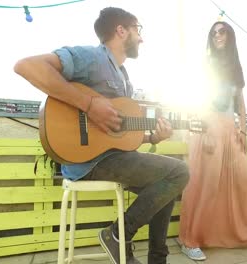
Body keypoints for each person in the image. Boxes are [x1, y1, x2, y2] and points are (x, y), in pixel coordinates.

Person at [14, 7, 189, 264]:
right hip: (89, 162)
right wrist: (89, 105)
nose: (141, 38)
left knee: (165, 187)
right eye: (137, 30)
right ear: (121, 30)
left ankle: (156, 259)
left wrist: (153, 138)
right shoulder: (91, 57)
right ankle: (118, 235)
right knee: (180, 171)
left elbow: (118, 135)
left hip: (112, 158)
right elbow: (26, 66)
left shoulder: (125, 79)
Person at [178, 21, 247, 261]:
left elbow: (241, 102)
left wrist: (243, 131)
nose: (217, 35)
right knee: (206, 184)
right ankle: (190, 240)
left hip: (230, 128)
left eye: (222, 31)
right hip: (207, 127)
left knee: (244, 180)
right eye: (214, 32)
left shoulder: (235, 66)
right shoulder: (206, 64)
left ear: (230, 36)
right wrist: (204, 132)